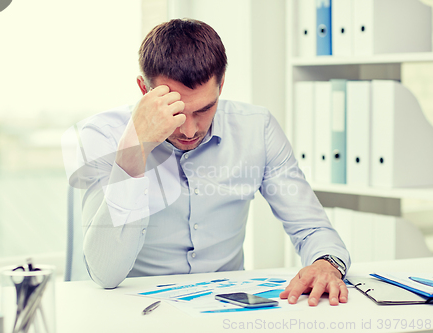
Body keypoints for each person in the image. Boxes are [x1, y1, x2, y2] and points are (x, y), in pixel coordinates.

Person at [75, 18, 350, 307]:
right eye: (177, 110)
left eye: (205, 109)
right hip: (135, 310)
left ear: (221, 85)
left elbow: (312, 228)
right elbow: (105, 273)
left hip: (228, 310)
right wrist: (134, 151)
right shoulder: (104, 136)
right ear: (144, 90)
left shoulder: (257, 128)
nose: (190, 130)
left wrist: (326, 263)